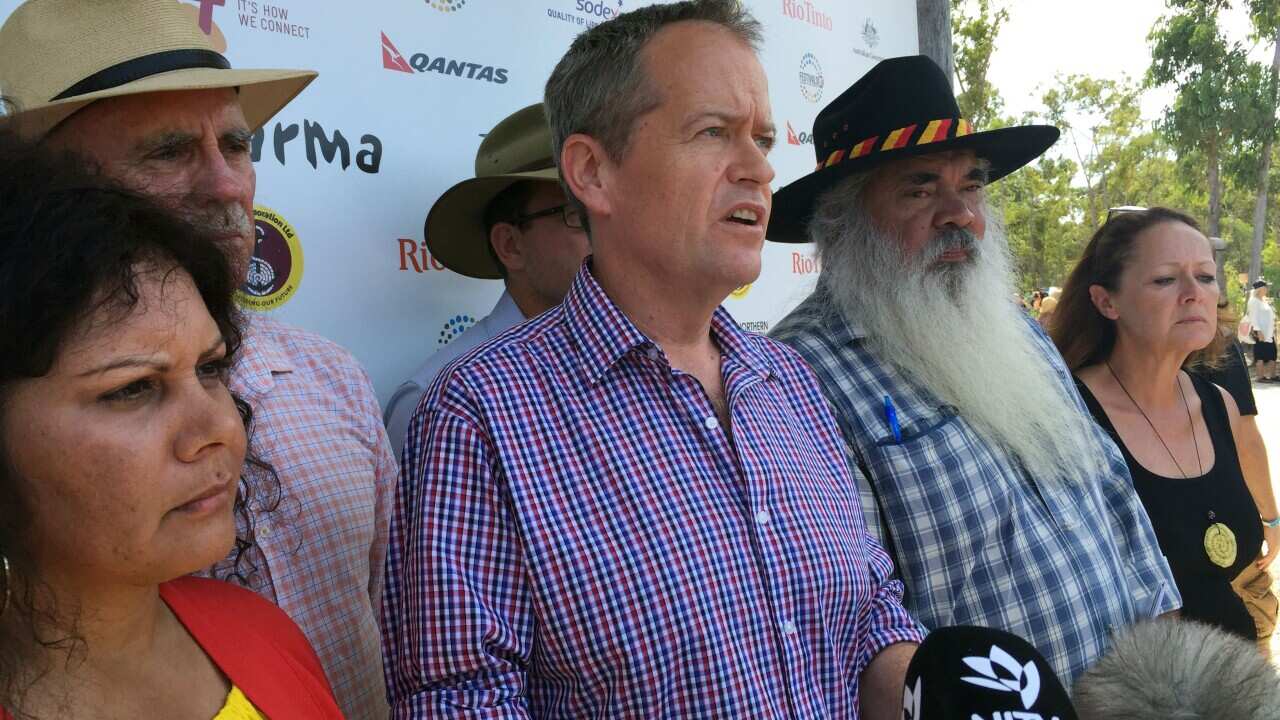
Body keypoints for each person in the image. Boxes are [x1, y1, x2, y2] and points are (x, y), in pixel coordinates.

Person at [381, 2, 923, 717]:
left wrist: (937, 687)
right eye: (713, 133)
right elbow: (458, 701)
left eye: (761, 138)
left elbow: (870, 616)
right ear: (593, 173)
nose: (760, 168)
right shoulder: (479, 413)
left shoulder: (788, 381)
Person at [0, 3, 398, 717]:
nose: (226, 186)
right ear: (47, 185)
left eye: (238, 146)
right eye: (167, 151)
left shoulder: (332, 376)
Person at [767, 55, 1178, 682]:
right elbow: (849, 623)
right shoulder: (799, 378)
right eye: (921, 187)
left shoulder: (1011, 328)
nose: (960, 213)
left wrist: (1166, 665)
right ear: (842, 221)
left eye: (973, 185)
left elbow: (1107, 484)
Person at [1051, 208, 1278, 642]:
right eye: (1165, 279)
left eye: (1206, 277)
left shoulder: (1219, 405)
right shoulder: (1070, 419)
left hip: (1233, 680)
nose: (1194, 293)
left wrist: (1272, 521)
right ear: (1106, 301)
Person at [383, 103, 590, 456]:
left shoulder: (650, 361)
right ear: (510, 245)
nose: (608, 234)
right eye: (576, 214)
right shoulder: (438, 402)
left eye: (608, 211)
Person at [1247, 280, 1276, 382]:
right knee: (1260, 354)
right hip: (1260, 332)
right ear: (1260, 289)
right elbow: (1253, 317)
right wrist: (1258, 331)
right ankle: (1260, 377)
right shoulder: (1254, 301)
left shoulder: (1263, 301)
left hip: (1269, 332)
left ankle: (1272, 375)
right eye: (1265, 287)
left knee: (1272, 354)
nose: (1267, 289)